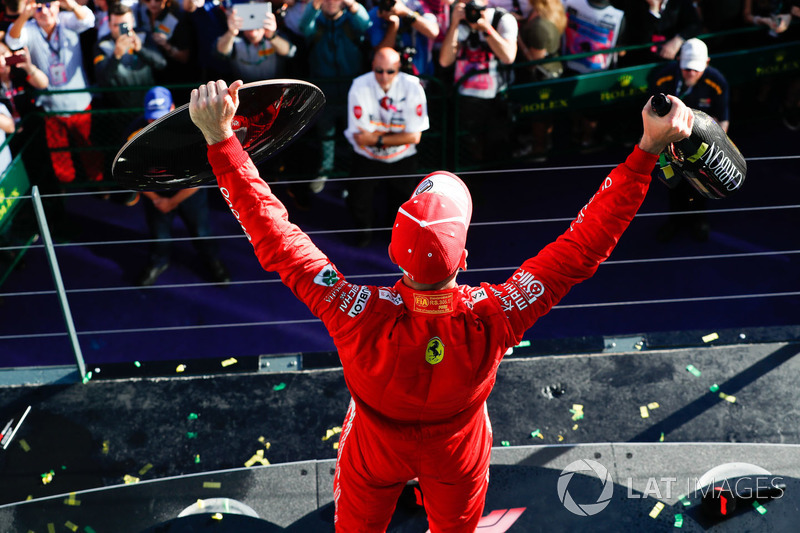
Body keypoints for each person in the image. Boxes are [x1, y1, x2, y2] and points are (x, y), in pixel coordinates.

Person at [188, 78, 692, 531]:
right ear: (465, 255)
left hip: (374, 447)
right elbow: (583, 246)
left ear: (394, 249)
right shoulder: (496, 313)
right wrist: (647, 149)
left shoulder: (352, 310)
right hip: (458, 451)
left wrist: (221, 140)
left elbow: (274, 232)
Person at [131, 86, 231, 286]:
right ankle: (158, 262)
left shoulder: (194, 130)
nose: (155, 122)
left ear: (173, 108)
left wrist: (172, 201)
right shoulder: (133, 133)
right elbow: (132, 173)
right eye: (152, 117)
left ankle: (212, 261)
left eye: (161, 115)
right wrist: (157, 199)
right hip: (155, 194)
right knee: (159, 234)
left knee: (202, 231)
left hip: (189, 192)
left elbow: (203, 175)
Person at [5, 0, 103, 184]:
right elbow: (13, 39)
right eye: (39, 7)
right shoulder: (30, 27)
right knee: (59, 154)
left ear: (58, 5)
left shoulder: (67, 19)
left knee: (88, 147)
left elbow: (88, 20)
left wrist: (71, 4)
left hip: (80, 103)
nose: (45, 12)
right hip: (51, 107)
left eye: (49, 5)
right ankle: (66, 187)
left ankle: (98, 183)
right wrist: (25, 15)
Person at [343, 46, 429, 247]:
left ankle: (395, 236)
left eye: (390, 71)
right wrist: (398, 136)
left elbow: (415, 137)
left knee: (403, 202)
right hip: (366, 156)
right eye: (379, 70)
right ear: (372, 66)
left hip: (402, 156)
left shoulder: (413, 86)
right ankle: (364, 231)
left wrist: (377, 139)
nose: (383, 76)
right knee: (358, 199)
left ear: (398, 68)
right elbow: (359, 138)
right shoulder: (359, 85)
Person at [652, 38, 729, 243]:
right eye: (687, 68)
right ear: (679, 61)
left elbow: (723, 119)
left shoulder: (717, 82)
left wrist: (715, 150)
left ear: (707, 62)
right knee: (673, 185)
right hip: (669, 145)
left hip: (703, 148)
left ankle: (699, 220)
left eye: (696, 69)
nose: (691, 73)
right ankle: (675, 221)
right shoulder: (663, 79)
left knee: (701, 186)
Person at [438, 0, 517, 166]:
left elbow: (508, 57)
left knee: (496, 149)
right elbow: (445, 61)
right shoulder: (459, 21)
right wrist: (454, 25)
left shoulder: (502, 19)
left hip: (496, 97)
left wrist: (486, 29)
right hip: (465, 99)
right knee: (468, 150)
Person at [513, 0, 566, 160]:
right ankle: (543, 143)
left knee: (539, 115)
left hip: (542, 78)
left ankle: (539, 150)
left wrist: (518, 38)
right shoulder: (553, 11)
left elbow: (534, 61)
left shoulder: (540, 26)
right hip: (551, 72)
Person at [215, 1, 296, 82]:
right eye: (248, 17)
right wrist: (231, 32)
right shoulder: (234, 41)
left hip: (274, 88)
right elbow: (220, 52)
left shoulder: (276, 36)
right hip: (244, 90)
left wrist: (272, 36)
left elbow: (290, 52)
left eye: (257, 16)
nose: (252, 24)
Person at [610, 0, 702, 66]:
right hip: (640, 61)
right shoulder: (634, 4)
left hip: (671, 62)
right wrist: (653, 11)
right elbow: (639, 37)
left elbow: (695, 25)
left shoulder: (680, 3)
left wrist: (678, 40)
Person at [366, 0, 439, 77]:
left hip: (422, 74)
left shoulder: (417, 5)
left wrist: (406, 13)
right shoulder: (378, 13)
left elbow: (433, 32)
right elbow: (381, 54)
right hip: (390, 77)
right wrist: (393, 24)